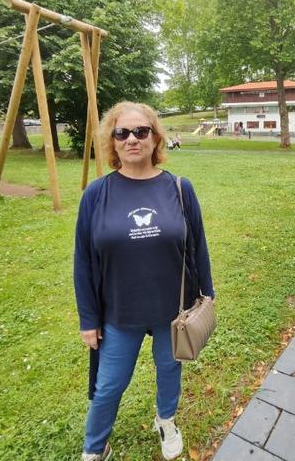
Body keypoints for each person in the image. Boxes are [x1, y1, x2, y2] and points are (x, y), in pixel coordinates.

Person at [74, 102, 214, 461]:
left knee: (169, 370)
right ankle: (95, 446)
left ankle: (165, 419)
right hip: (119, 312)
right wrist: (88, 320)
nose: (132, 139)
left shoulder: (180, 188)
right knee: (108, 386)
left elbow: (197, 245)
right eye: (122, 133)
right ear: (113, 141)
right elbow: (84, 261)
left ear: (155, 138)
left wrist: (207, 297)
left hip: (173, 311)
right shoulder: (96, 194)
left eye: (141, 131)